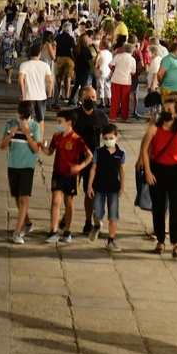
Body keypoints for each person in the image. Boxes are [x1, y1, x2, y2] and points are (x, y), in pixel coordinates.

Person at [138, 96, 177, 258]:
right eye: (164, 109)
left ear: (176, 113)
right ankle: (160, 241)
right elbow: (144, 149)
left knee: (176, 209)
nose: (166, 112)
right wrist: (148, 172)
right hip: (157, 170)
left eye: (169, 110)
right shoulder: (154, 128)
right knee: (158, 207)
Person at [43, 110, 93, 244]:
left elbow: (89, 156)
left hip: (71, 176)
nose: (57, 124)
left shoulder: (77, 139)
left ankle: (67, 230)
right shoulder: (56, 136)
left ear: (69, 123)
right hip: (57, 173)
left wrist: (80, 167)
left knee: (68, 202)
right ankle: (53, 230)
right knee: (55, 200)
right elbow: (50, 152)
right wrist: (42, 146)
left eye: (60, 122)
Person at [1, 100, 42, 244]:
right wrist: (10, 135)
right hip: (13, 165)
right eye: (21, 117)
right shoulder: (10, 123)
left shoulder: (35, 126)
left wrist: (27, 134)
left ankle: (18, 232)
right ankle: (28, 223)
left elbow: (36, 149)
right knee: (18, 199)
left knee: (24, 199)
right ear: (18, 113)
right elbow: (2, 145)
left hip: (27, 166)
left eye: (26, 117)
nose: (23, 120)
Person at [72, 87, 109, 235]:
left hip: (93, 160)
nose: (92, 100)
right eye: (89, 97)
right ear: (81, 99)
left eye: (94, 97)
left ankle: (88, 222)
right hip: (75, 159)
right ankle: (67, 218)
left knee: (90, 192)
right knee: (70, 193)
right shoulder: (74, 115)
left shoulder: (101, 116)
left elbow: (108, 136)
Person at [87, 124, 126, 252]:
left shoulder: (121, 153)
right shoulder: (98, 152)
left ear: (116, 137)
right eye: (106, 138)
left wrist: (122, 186)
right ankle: (97, 226)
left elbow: (122, 170)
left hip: (113, 188)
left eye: (111, 138)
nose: (108, 140)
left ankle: (111, 240)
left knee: (113, 215)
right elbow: (93, 169)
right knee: (97, 213)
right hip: (99, 187)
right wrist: (89, 185)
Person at [18, 44, 54, 134]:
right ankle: (39, 141)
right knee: (40, 120)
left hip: (28, 97)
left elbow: (20, 80)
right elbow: (50, 81)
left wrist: (22, 94)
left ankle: (27, 139)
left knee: (26, 119)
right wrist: (49, 95)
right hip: (41, 97)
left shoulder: (24, 65)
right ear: (39, 54)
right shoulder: (45, 66)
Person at [109, 43, 136, 123]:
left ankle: (112, 116)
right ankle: (124, 117)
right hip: (126, 81)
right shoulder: (132, 59)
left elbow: (110, 65)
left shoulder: (118, 56)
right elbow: (133, 72)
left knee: (114, 99)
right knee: (125, 100)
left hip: (116, 79)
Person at [54, 23, 76, 102]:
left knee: (59, 77)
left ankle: (58, 93)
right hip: (69, 59)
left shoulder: (57, 37)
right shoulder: (71, 38)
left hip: (59, 58)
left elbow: (54, 47)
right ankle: (66, 95)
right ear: (68, 30)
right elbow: (72, 50)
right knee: (68, 78)